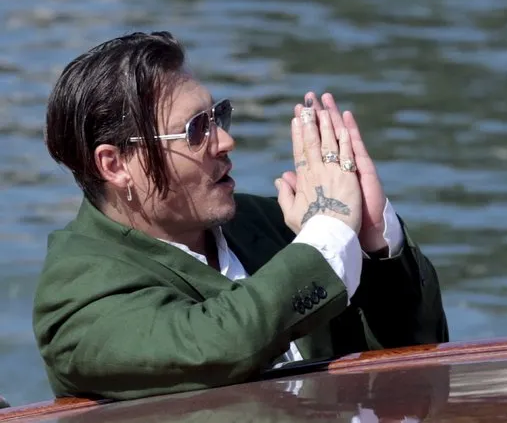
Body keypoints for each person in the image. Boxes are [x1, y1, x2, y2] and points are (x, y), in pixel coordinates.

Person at [33, 31, 448, 401]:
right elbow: (217, 344)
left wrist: (373, 242)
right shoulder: (77, 292)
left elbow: (416, 360)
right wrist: (330, 230)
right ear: (115, 165)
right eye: (197, 130)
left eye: (219, 117)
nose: (226, 141)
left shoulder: (269, 223)